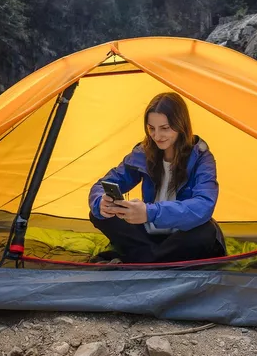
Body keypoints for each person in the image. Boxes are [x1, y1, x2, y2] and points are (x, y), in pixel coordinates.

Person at [88, 92, 227, 263]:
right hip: (148, 232)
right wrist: (100, 202)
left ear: (181, 125)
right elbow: (105, 183)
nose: (157, 136)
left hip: (181, 234)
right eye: (151, 128)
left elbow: (204, 205)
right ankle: (156, 258)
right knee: (99, 215)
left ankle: (136, 260)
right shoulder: (143, 152)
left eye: (165, 128)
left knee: (206, 232)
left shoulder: (201, 157)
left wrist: (149, 213)